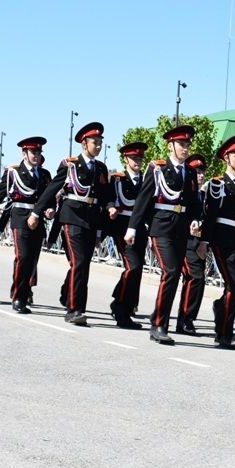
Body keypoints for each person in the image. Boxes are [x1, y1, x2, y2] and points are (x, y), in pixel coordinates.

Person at [126, 125, 204, 344]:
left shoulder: (189, 171)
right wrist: (132, 228)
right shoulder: (157, 168)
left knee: (175, 274)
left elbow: (193, 201)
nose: (185, 148)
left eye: (188, 144)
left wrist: (196, 219)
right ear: (170, 145)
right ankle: (158, 324)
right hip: (161, 228)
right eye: (181, 144)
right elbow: (143, 200)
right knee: (170, 272)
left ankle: (159, 318)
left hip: (181, 228)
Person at [33, 121, 115, 325]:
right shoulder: (70, 164)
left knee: (83, 265)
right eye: (94, 142)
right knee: (78, 263)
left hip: (91, 219)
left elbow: (105, 195)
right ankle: (74, 309)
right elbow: (52, 188)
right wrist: (37, 212)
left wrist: (110, 206)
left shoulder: (101, 168)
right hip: (71, 218)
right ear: (83, 144)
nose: (98, 145)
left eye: (100, 142)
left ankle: (68, 294)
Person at [0, 136, 54, 313]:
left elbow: (47, 198)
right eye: (33, 152)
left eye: (39, 152)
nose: (36, 155)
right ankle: (18, 297)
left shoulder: (44, 175)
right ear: (24, 153)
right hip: (20, 219)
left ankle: (25, 291)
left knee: (32, 260)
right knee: (23, 257)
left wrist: (50, 209)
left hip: (38, 220)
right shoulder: (14, 173)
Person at [200, 136, 235, 349]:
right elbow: (210, 214)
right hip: (221, 240)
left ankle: (219, 308)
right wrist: (204, 241)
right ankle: (224, 334)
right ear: (226, 158)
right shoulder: (217, 184)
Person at [106, 141, 149, 329]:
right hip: (122, 227)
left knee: (138, 269)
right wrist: (111, 207)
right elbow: (107, 197)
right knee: (133, 267)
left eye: (140, 157)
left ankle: (128, 306)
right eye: (134, 157)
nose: (137, 161)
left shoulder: (147, 179)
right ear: (126, 159)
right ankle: (119, 304)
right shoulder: (117, 179)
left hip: (141, 227)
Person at [176, 154, 208, 335]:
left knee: (199, 281)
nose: (200, 175)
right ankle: (184, 320)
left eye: (202, 171)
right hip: (184, 241)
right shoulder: (183, 193)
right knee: (194, 277)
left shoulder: (204, 195)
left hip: (199, 244)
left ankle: (188, 318)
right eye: (196, 171)